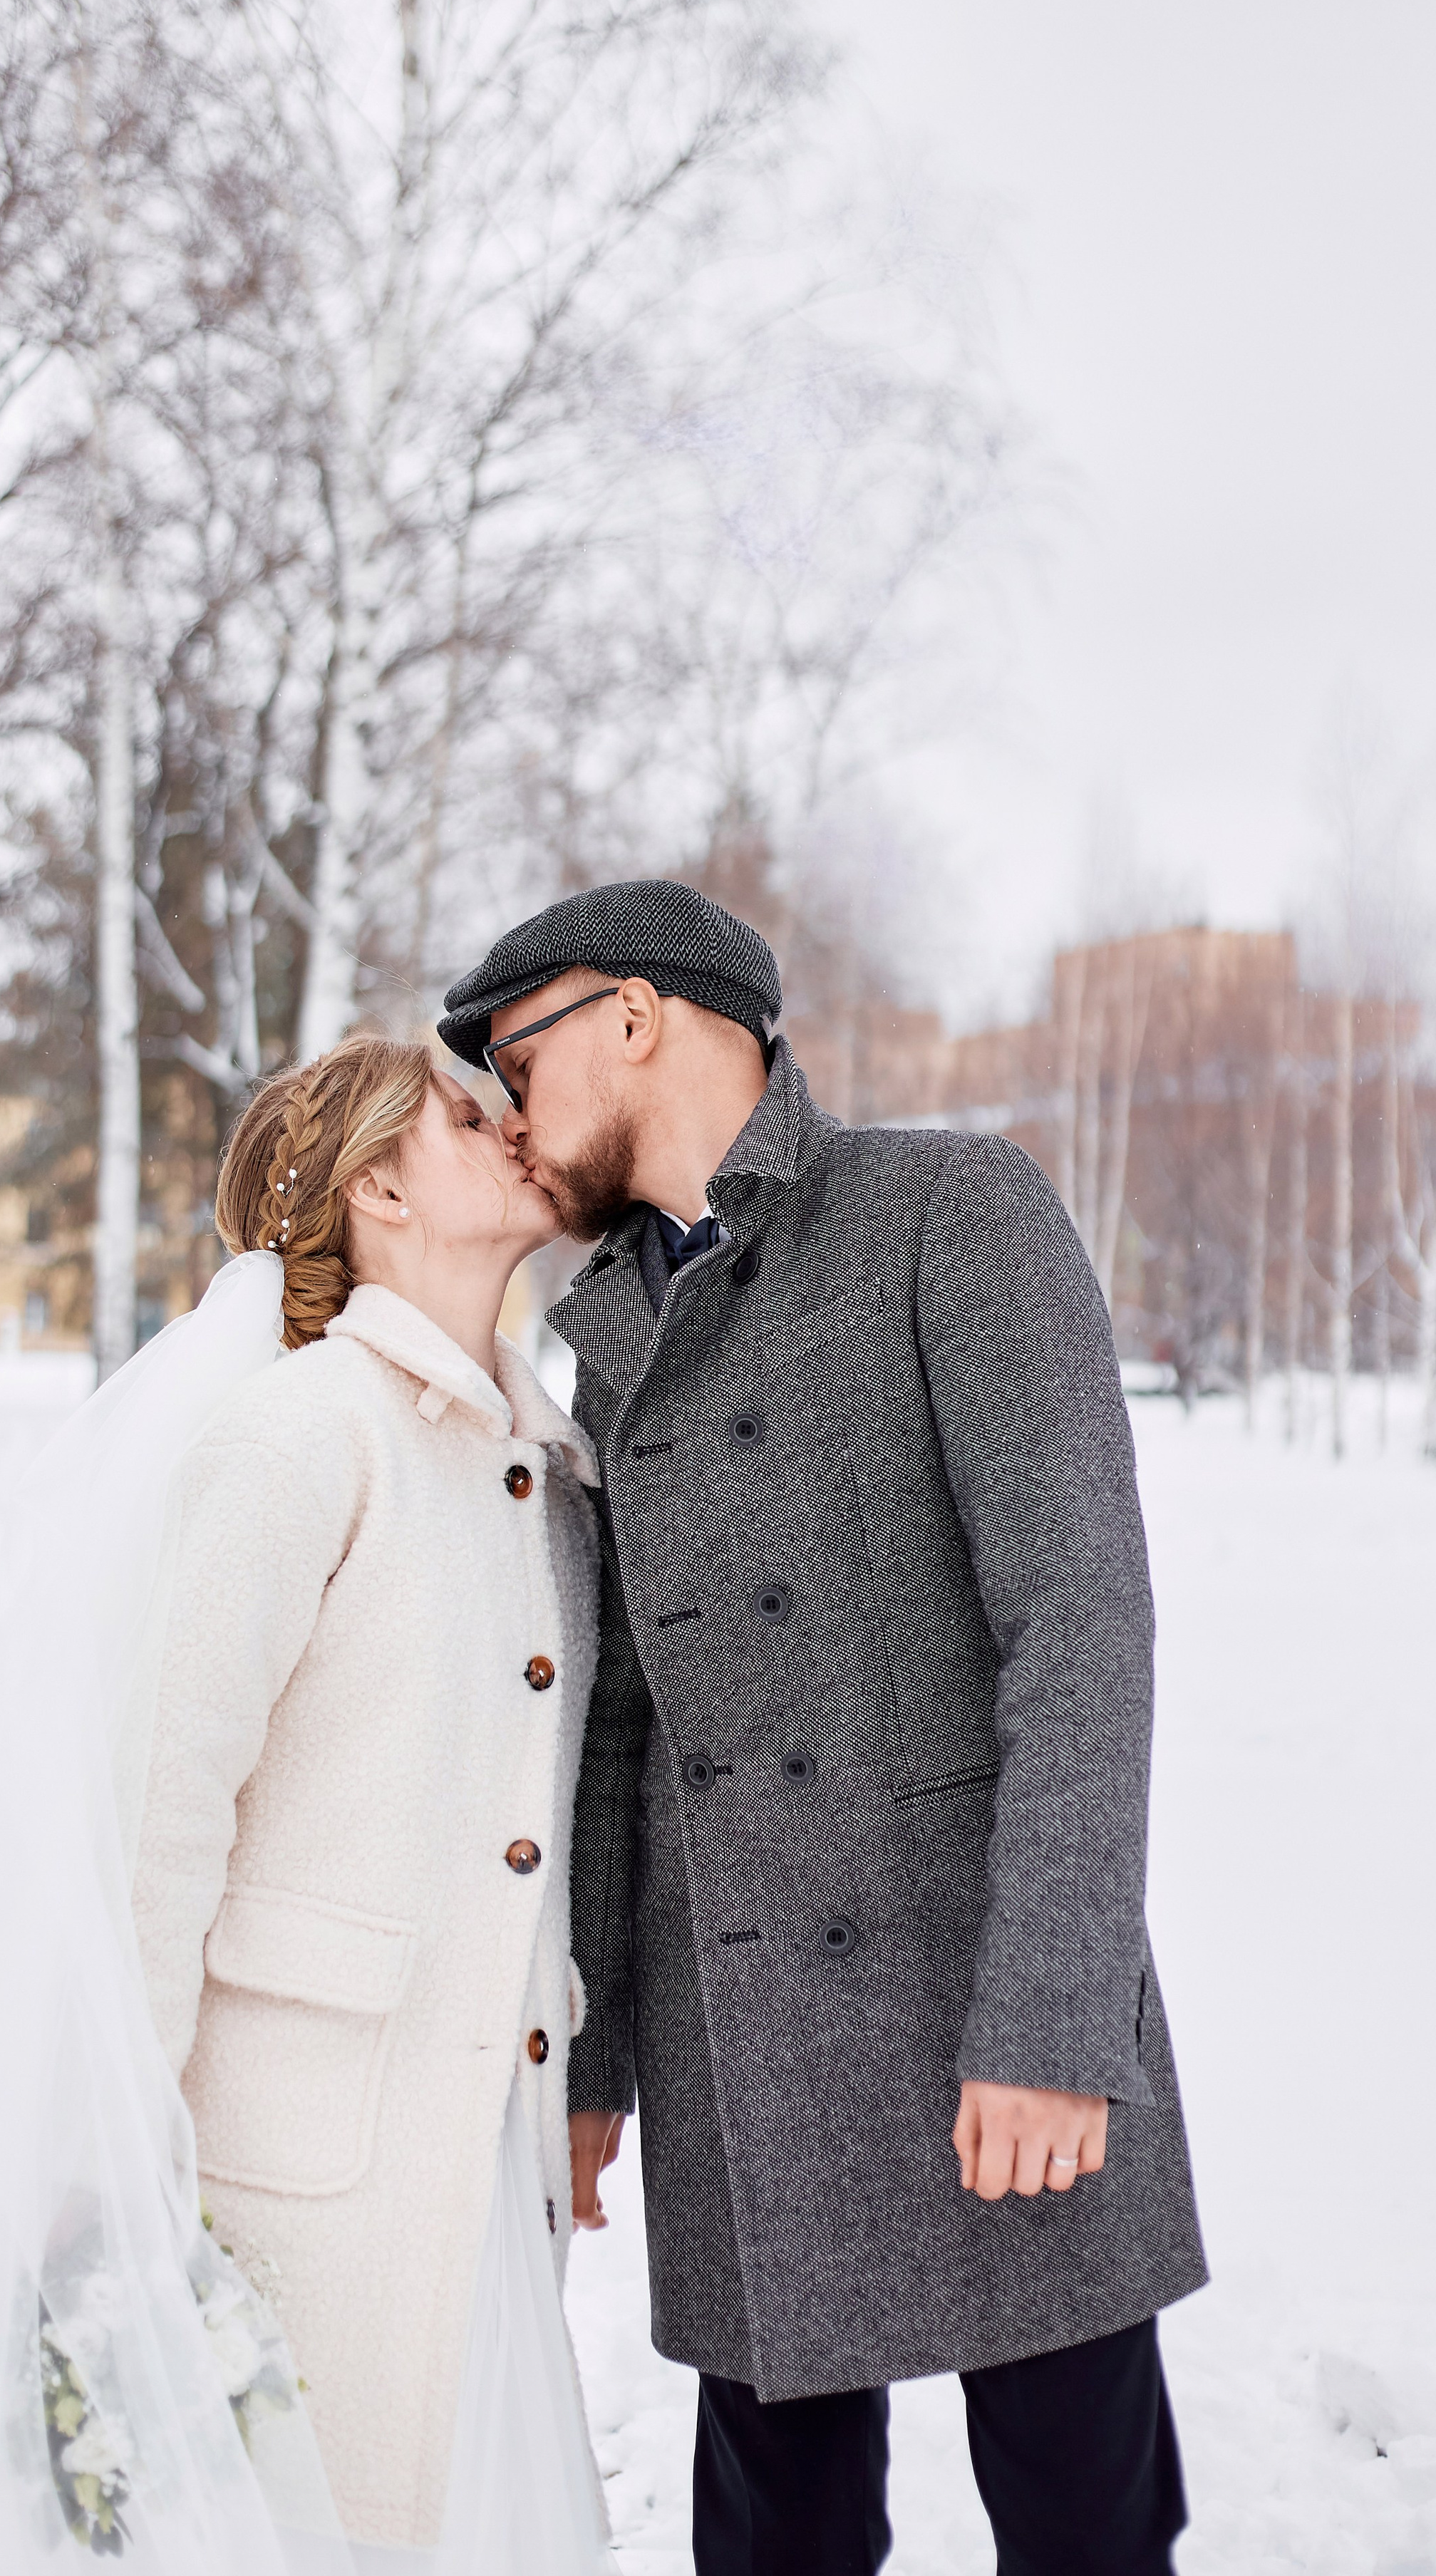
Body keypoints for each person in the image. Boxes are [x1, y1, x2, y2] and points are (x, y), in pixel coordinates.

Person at [438, 881, 1209, 2576]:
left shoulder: (951, 1210)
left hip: (980, 2004)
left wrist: (1052, 2015)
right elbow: (627, 1735)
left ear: (632, 1018)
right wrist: (600, 2061)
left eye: (518, 1055)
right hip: (739, 2037)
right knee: (770, 2548)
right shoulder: (606, 1338)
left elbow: (1078, 1626)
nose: (509, 1109)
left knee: (1085, 2531)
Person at [0, 1038, 611, 2576]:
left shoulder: (540, 1467)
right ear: (378, 1184)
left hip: (475, 2187)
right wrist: (106, 2186)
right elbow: (156, 1826)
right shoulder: (298, 1440)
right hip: (293, 2191)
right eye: (469, 1115)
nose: (516, 1125)